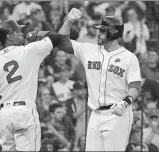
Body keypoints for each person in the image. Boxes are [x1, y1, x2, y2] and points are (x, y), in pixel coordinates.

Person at [0, 13, 81, 151]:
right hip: (24, 112)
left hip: (5, 114)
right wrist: (38, 33)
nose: (22, 33)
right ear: (9, 37)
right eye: (17, 32)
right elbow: (58, 37)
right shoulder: (28, 51)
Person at [57, 9, 142, 151]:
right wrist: (69, 21)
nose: (99, 33)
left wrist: (127, 101)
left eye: (103, 31)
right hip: (95, 114)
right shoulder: (89, 50)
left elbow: (136, 85)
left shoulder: (129, 58)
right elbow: (62, 43)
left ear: (113, 33)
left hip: (118, 114)